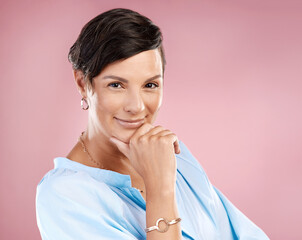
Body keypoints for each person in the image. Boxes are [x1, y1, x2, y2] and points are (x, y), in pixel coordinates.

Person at [35, 8, 269, 240]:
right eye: (116, 85)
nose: (136, 106)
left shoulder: (174, 156)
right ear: (83, 83)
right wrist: (160, 191)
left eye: (150, 85)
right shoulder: (64, 197)